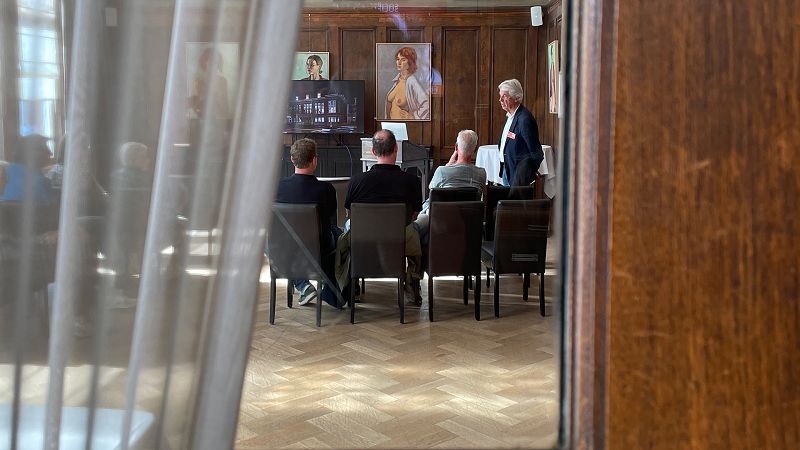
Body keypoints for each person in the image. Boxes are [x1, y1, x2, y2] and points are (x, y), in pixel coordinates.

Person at [339, 129, 423, 305]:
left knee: (347, 228)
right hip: (400, 239)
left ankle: (351, 285)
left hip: (363, 239)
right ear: (396, 149)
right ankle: (412, 282)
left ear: (373, 151)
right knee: (417, 232)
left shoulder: (356, 181)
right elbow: (415, 214)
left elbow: (350, 212)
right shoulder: (412, 181)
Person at [274, 138, 344, 308]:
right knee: (338, 235)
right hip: (318, 249)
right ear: (314, 160)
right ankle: (335, 288)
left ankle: (302, 284)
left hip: (286, 249)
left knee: (270, 242)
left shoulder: (277, 188)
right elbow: (330, 220)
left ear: (292, 159)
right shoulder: (326, 190)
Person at [413, 129, 486, 246]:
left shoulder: (442, 171)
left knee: (417, 223)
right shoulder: (481, 173)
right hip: (467, 221)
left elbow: (432, 191)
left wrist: (448, 165)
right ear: (475, 149)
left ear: (456, 147)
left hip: (440, 220)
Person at [497, 79, 543, 186]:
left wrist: (524, 175)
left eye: (504, 96)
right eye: (500, 96)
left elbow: (537, 154)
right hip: (507, 170)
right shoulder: (510, 116)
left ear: (515, 97)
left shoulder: (524, 119)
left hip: (518, 177)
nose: (500, 100)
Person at [0, 134, 55, 203]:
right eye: (46, 149)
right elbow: (49, 206)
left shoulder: (5, 172)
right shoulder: (41, 181)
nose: (51, 153)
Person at [385, 47, 430, 120]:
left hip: (405, 125)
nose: (399, 63)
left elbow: (427, 104)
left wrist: (412, 117)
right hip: (390, 125)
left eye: (403, 60)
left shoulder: (412, 81)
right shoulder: (397, 80)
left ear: (410, 62)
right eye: (398, 59)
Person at [188, 47, 230, 121]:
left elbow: (225, 109)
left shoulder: (223, 82)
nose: (212, 65)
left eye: (215, 62)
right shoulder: (197, 81)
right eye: (209, 62)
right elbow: (193, 109)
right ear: (204, 63)